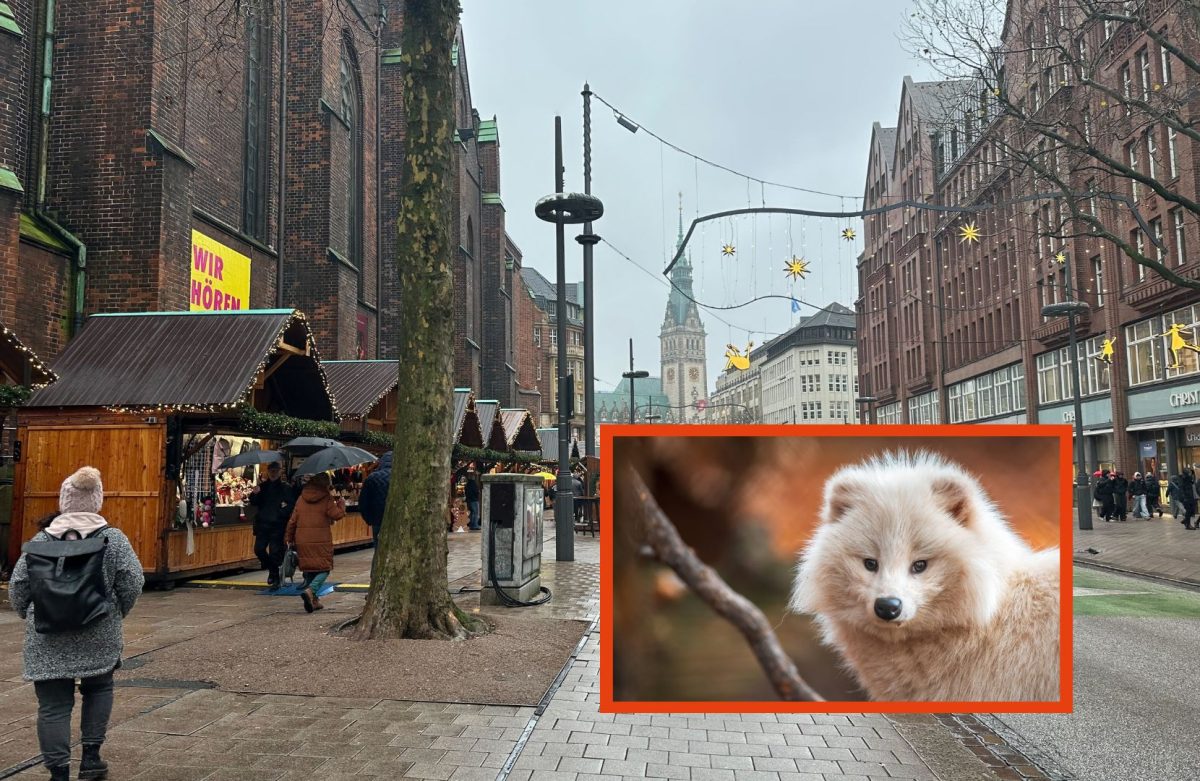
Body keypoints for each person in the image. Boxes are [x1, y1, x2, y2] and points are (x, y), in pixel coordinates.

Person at [8, 467, 144, 781]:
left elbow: (18, 587)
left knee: (53, 705)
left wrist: (31, 614)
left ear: (64, 500)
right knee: (98, 690)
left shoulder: (41, 539)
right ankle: (92, 759)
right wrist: (115, 612)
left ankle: (58, 772)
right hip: (99, 631)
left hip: (47, 636)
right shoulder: (113, 538)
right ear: (97, 501)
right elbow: (133, 581)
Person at [285, 473, 346, 613]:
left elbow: (292, 521)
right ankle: (311, 591)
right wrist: (341, 505)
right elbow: (336, 515)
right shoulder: (326, 498)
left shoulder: (301, 498)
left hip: (302, 539)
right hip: (321, 539)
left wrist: (288, 538)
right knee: (325, 568)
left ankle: (314, 601)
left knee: (312, 568)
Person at [248, 462, 294, 590]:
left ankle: (275, 576)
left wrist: (282, 513)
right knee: (259, 549)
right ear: (268, 472)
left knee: (275, 552)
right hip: (263, 524)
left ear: (280, 472)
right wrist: (255, 493)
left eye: (276, 470)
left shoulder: (286, 487)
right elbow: (253, 502)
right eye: (271, 470)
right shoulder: (262, 487)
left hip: (277, 525)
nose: (273, 473)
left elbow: (291, 504)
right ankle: (273, 571)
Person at [357, 452, 392, 545]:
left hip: (377, 520)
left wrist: (369, 519)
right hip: (395, 521)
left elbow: (363, 502)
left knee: (378, 548)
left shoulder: (372, 478)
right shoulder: (401, 478)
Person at [464, 466, 480, 531]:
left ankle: (471, 525)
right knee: (475, 513)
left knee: (471, 513)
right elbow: (476, 491)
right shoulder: (473, 484)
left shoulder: (467, 484)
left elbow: (466, 492)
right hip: (474, 500)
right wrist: (477, 494)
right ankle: (474, 525)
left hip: (469, 500)